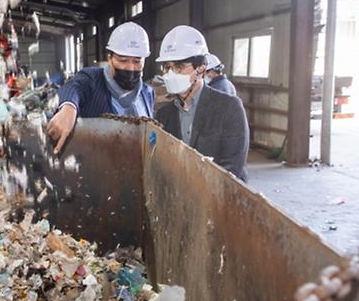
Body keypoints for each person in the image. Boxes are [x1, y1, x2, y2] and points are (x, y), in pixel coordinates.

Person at [154, 25, 250, 182]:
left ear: (201, 68)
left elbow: (232, 167)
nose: (170, 74)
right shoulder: (164, 115)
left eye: (179, 67)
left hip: (221, 197)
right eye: (167, 67)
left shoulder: (229, 107)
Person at [46, 21, 155, 153]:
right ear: (110, 58)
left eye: (137, 61)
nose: (131, 68)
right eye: (123, 61)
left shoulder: (148, 93)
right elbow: (74, 86)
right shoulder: (93, 79)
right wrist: (68, 108)